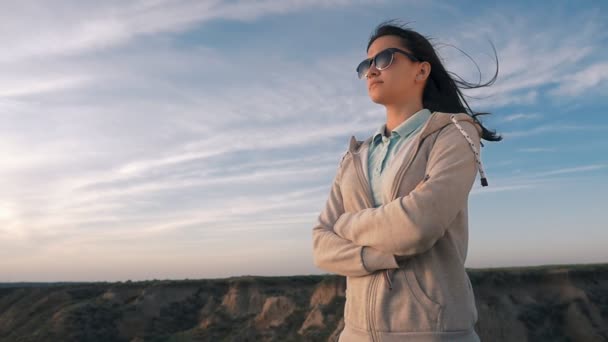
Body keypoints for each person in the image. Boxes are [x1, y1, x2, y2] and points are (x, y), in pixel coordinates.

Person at [312, 19, 502, 342]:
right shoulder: (354, 157)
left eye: (385, 59)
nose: (371, 70)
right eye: (366, 64)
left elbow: (418, 225)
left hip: (434, 334)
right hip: (354, 334)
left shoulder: (454, 135)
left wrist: (345, 225)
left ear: (421, 71)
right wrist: (381, 255)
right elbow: (320, 245)